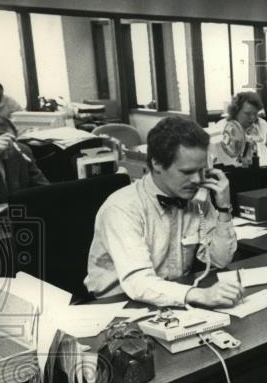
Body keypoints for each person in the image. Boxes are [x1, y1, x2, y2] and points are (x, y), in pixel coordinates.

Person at [85, 116, 241, 308]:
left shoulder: (196, 197)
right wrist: (200, 295)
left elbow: (220, 259)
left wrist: (224, 207)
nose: (197, 180)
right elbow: (138, 282)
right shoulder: (122, 209)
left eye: (202, 170)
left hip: (171, 299)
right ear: (157, 163)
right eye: (187, 171)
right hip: (120, 307)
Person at [214, 91, 267, 166]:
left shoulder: (262, 124)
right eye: (247, 113)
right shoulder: (222, 127)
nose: (253, 118)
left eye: (255, 113)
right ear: (236, 112)